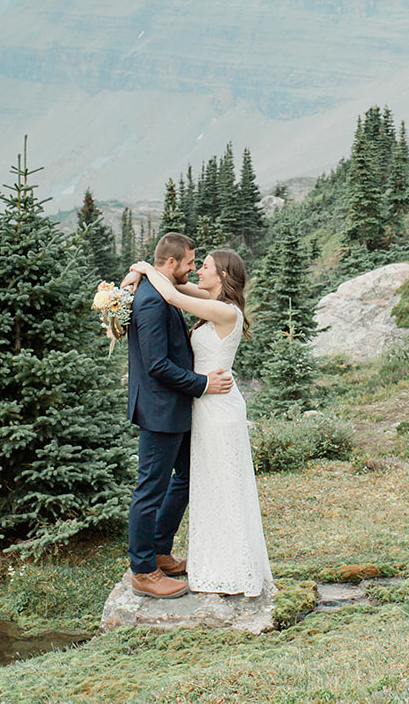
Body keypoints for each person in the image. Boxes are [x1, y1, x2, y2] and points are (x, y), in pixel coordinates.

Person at [127, 248, 274, 598]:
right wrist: (135, 276)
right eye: (194, 263)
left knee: (221, 483)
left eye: (203, 266)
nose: (197, 271)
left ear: (222, 276)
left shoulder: (224, 310)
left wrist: (146, 266)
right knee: (194, 479)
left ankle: (228, 562)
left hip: (218, 407)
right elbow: (172, 287)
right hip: (200, 406)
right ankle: (157, 555)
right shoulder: (208, 298)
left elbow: (173, 294)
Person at [125, 232, 233, 599]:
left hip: (175, 407)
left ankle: (159, 549)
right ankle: (143, 570)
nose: (192, 267)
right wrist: (202, 384)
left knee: (186, 477)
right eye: (189, 262)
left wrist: (138, 272)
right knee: (149, 489)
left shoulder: (161, 289)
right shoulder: (154, 300)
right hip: (160, 408)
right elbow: (157, 365)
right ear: (170, 263)